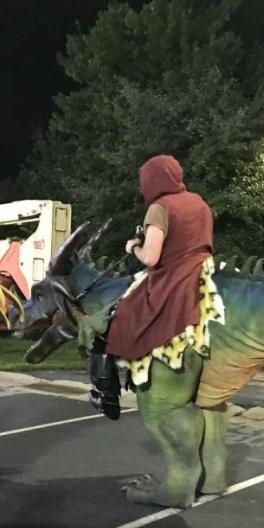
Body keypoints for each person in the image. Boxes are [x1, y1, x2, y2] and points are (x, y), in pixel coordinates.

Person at [89, 154, 214, 419]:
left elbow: (151, 258)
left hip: (172, 280)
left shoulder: (160, 208)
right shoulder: (199, 202)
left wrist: (134, 247)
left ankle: (108, 395)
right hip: (204, 275)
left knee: (111, 320)